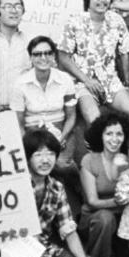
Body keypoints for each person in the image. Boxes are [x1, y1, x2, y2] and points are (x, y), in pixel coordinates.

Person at [13, 129, 108, 257]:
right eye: (38, 154)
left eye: (50, 154)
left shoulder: (56, 186)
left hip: (48, 252)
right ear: (27, 158)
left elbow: (68, 229)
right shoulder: (15, 188)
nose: (45, 160)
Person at [10, 36, 79, 209]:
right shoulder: (20, 84)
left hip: (61, 129)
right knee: (33, 167)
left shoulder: (65, 80)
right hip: (33, 132)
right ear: (31, 58)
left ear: (54, 56)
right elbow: (18, 123)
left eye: (48, 53)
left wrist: (61, 138)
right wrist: (27, 147)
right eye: (38, 54)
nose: (43, 58)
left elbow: (71, 116)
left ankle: (81, 204)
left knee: (63, 165)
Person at [58, 0, 129, 124]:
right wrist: (86, 80)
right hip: (83, 82)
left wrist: (127, 83)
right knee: (95, 121)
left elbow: (125, 51)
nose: (102, 0)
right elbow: (63, 57)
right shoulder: (74, 22)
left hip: (110, 80)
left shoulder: (117, 20)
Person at [77, 110, 129, 257]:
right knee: (105, 218)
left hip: (123, 218)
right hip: (95, 219)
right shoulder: (89, 160)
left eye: (119, 134)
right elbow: (92, 202)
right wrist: (119, 202)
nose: (114, 139)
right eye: (109, 134)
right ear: (100, 136)